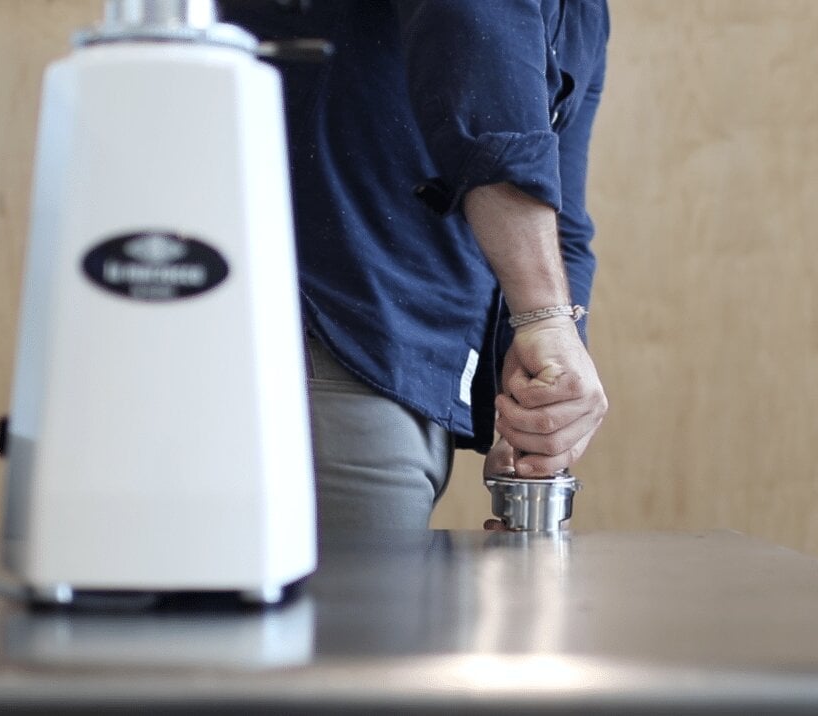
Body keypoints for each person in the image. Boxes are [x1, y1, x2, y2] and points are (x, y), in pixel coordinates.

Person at [219, 0, 610, 529]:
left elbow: (561, 216)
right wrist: (545, 319)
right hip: (327, 336)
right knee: (348, 610)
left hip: (413, 364)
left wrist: (542, 411)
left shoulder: (588, 13)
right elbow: (487, 85)